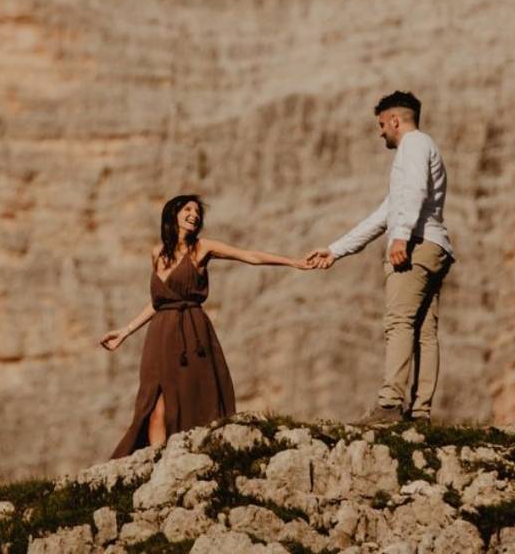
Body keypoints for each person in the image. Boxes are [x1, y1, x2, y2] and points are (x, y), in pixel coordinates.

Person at [101, 194, 310, 457]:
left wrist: (293, 262)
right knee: (153, 406)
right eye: (188, 209)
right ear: (173, 214)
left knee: (190, 395)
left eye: (197, 212)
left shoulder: (202, 248)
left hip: (191, 332)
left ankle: (189, 456)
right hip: (159, 335)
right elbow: (158, 302)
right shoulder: (157, 253)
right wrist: (125, 331)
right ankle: (157, 463)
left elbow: (249, 256)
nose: (194, 215)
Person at [306, 91, 454, 424]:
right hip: (435, 246)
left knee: (399, 323)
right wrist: (336, 249)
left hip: (415, 245)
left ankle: (388, 406)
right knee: (424, 332)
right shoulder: (423, 147)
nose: (380, 132)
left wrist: (401, 235)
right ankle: (420, 412)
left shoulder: (413, 145)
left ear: (395, 120)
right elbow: (384, 214)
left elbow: (412, 193)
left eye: (381, 124)